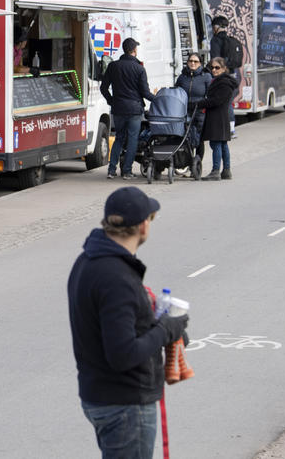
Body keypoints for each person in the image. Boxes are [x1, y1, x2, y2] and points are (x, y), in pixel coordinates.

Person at [67, 187, 189, 459]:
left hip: (99, 394)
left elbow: (111, 325)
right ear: (143, 225)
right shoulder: (116, 277)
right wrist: (165, 329)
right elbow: (122, 354)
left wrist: (159, 323)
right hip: (124, 403)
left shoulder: (88, 261)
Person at [101, 37, 156, 179]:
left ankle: (111, 170)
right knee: (132, 139)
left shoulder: (113, 66)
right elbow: (145, 92)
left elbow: (103, 88)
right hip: (134, 109)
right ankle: (127, 171)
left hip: (118, 109)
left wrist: (111, 101)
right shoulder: (139, 68)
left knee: (119, 138)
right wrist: (158, 98)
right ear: (134, 50)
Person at [197, 57, 239, 181]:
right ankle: (226, 171)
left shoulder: (224, 83)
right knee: (222, 143)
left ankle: (216, 171)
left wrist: (200, 103)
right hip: (220, 116)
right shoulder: (221, 81)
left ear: (224, 69)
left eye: (217, 67)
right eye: (212, 67)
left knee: (216, 143)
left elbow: (217, 100)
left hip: (218, 116)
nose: (214, 70)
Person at [174, 52, 211, 161]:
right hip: (184, 110)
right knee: (185, 137)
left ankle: (197, 163)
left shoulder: (206, 77)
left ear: (200, 63)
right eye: (190, 61)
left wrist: (204, 105)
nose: (193, 63)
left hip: (199, 110)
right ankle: (186, 161)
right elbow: (176, 91)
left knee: (199, 138)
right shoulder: (182, 77)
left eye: (196, 61)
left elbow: (210, 94)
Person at [209, 16, 240, 137]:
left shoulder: (215, 40)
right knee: (229, 102)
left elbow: (215, 60)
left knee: (223, 103)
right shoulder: (231, 40)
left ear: (216, 27)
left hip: (221, 77)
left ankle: (225, 129)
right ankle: (231, 128)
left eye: (213, 27)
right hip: (232, 75)